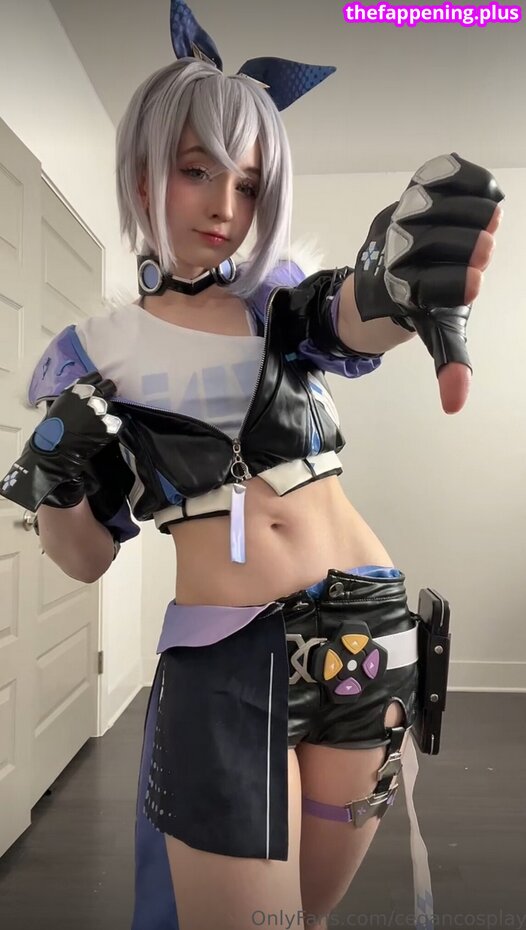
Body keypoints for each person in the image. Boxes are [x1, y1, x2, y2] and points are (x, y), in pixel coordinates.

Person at [0, 2, 503, 928]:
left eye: (249, 183)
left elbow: (353, 315)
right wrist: (57, 482)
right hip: (224, 657)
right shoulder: (90, 354)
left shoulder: (280, 303)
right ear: (144, 172)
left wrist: (399, 280)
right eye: (197, 170)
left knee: (310, 916)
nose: (226, 208)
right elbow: (84, 557)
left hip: (368, 632)